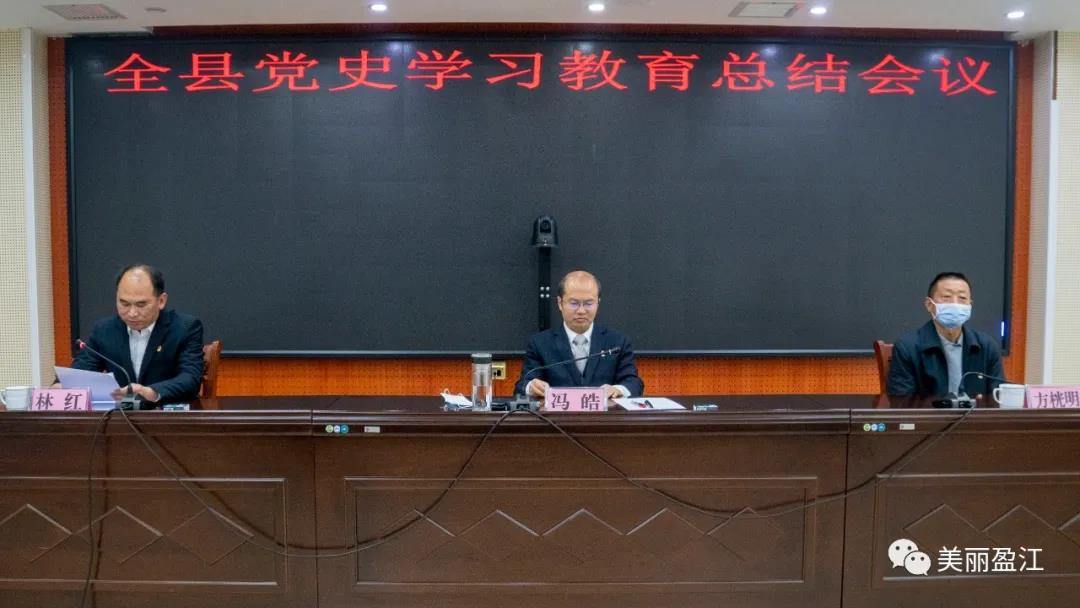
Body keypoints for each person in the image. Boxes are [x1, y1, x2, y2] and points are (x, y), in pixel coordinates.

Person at [67, 264, 205, 405]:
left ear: (161, 301)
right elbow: (81, 372)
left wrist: (151, 392)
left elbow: (190, 379)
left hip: (165, 413)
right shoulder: (104, 330)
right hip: (118, 413)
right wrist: (62, 386)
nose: (132, 313)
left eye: (141, 305)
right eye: (124, 304)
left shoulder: (184, 328)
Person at [514, 270, 644, 399]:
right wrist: (531, 387)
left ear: (598, 303)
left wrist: (618, 389)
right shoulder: (540, 343)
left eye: (588, 303)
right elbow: (522, 385)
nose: (581, 311)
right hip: (557, 412)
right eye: (574, 303)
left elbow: (634, 383)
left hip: (604, 412)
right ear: (560, 303)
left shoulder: (618, 342)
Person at [886, 272, 1004, 399]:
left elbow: (999, 396)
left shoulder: (987, 346)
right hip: (928, 413)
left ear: (970, 306)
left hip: (976, 413)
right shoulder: (907, 347)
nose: (955, 304)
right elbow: (901, 401)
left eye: (962, 298)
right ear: (929, 305)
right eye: (946, 297)